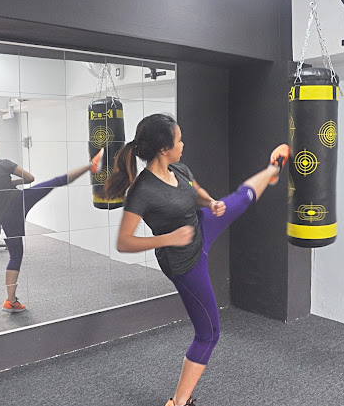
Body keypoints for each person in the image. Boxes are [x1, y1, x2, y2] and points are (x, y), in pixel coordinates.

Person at [104, 114, 289, 406]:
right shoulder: (143, 191)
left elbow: (194, 190)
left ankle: (272, 170)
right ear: (163, 149)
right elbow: (124, 242)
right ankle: (178, 403)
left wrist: (210, 201)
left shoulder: (178, 168)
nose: (183, 144)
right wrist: (169, 238)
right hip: (183, 261)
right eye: (179, 141)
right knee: (209, 333)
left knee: (240, 198)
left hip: (201, 225)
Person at [0, 132, 104, 313]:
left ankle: (10, 301)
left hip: (5, 217)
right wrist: (11, 183)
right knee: (55, 182)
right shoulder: (3, 163)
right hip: (19, 201)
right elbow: (30, 178)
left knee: (15, 256)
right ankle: (91, 165)